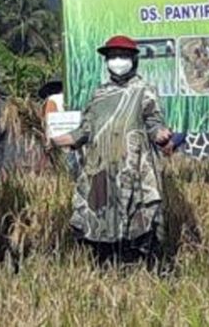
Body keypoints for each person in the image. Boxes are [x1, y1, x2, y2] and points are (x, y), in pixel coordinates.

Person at [51, 35, 172, 265]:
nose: (118, 61)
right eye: (113, 56)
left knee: (137, 216)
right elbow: (85, 130)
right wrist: (57, 140)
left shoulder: (144, 90)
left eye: (123, 56)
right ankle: (105, 265)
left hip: (133, 166)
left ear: (133, 60)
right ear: (106, 61)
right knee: (99, 217)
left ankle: (138, 266)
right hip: (101, 169)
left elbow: (154, 123)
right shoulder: (99, 94)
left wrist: (160, 135)